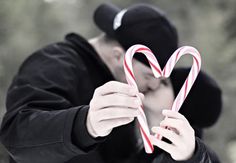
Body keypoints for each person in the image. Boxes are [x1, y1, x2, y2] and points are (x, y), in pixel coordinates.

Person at [0, 3, 221, 163]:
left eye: (162, 80)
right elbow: (18, 135)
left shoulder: (132, 90)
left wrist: (192, 156)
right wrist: (86, 124)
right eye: (148, 76)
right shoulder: (54, 65)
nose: (152, 86)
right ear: (118, 57)